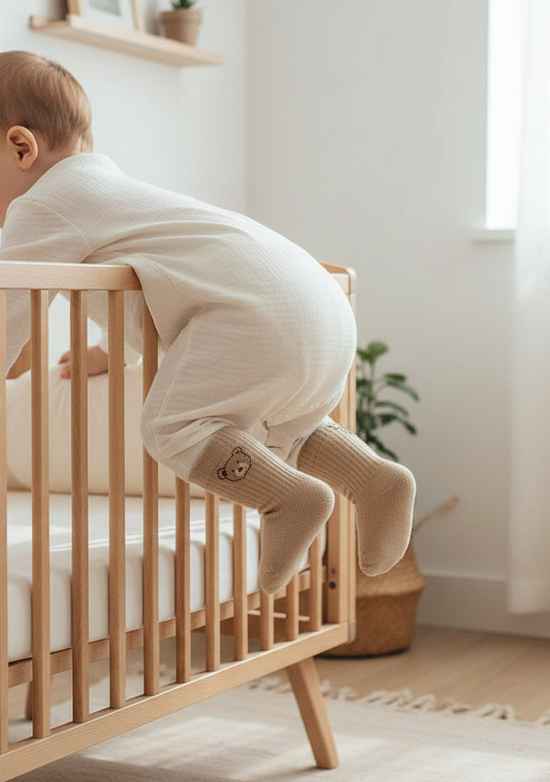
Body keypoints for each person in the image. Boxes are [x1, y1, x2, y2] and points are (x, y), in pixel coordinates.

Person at [0, 50, 416, 594]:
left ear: (20, 146)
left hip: (254, 318)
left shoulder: (43, 206)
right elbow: (138, 286)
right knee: (281, 425)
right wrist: (109, 353)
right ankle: (373, 478)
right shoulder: (115, 196)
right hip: (319, 303)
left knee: (171, 426)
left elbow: (10, 299)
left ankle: (287, 497)